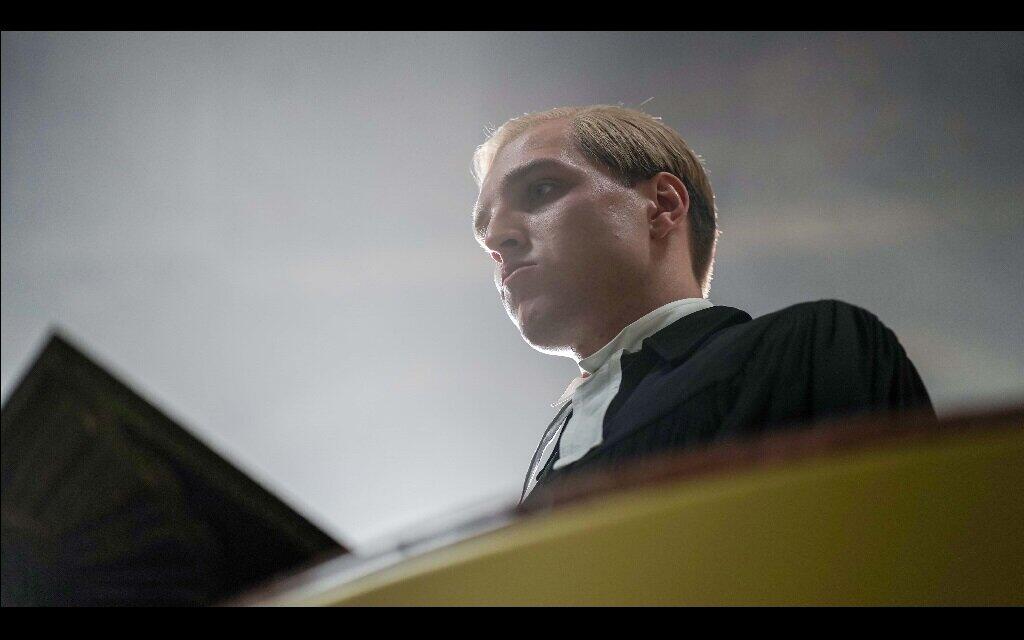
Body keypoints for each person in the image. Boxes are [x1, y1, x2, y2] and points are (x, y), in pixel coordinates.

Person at [470, 105, 934, 504]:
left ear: (662, 205)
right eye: (485, 228)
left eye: (541, 189)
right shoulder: (550, 450)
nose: (496, 239)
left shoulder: (808, 349)